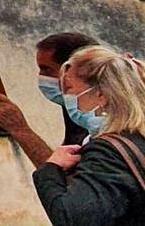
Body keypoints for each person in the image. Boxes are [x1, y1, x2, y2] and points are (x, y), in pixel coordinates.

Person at [34, 45, 145, 225]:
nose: (66, 97)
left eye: (69, 89)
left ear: (101, 95)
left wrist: (50, 169)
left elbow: (71, 219)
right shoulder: (137, 139)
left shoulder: (108, 152)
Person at [0, 32, 98, 168]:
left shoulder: (101, 119)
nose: (41, 77)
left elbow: (68, 180)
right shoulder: (74, 111)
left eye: (47, 70)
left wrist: (20, 130)